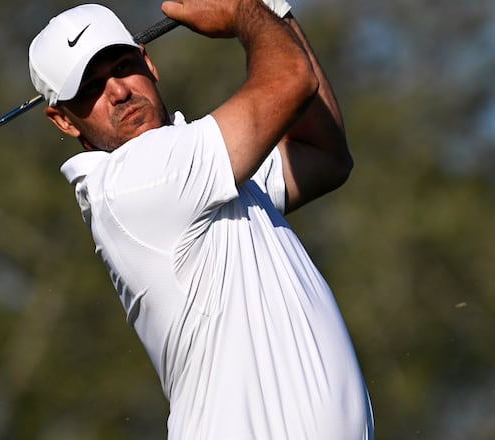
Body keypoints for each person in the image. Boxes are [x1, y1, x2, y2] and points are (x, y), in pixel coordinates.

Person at [29, 0, 374, 438]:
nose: (118, 92)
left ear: (148, 62)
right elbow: (291, 79)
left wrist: (274, 10)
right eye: (90, 89)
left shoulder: (199, 172)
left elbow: (325, 156)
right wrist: (246, 11)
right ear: (63, 119)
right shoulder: (133, 182)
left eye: (123, 65)